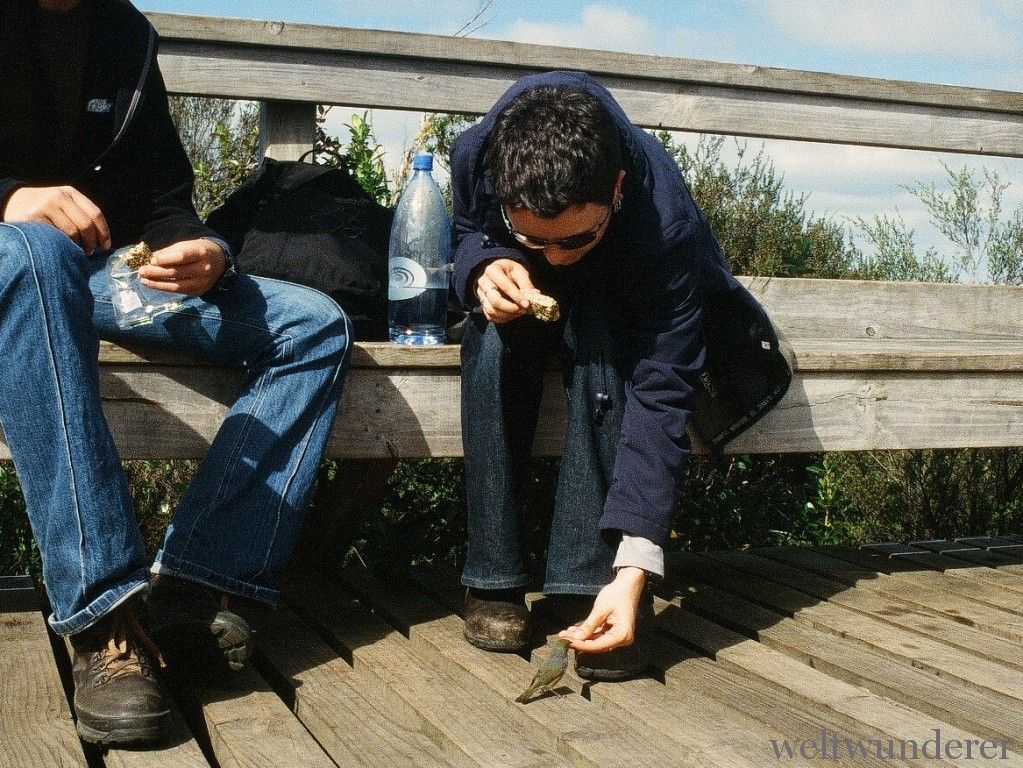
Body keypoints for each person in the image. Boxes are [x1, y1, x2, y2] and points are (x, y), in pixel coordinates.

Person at [0, 0, 351, 746]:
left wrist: (202, 247)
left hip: (89, 269)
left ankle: (193, 585)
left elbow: (163, 195)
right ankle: (103, 622)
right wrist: (9, 199)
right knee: (35, 253)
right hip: (15, 262)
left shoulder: (123, 31)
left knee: (311, 325)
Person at [451, 71, 788, 680]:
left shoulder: (667, 225)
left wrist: (636, 568)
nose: (552, 258)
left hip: (624, 301)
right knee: (489, 336)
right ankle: (491, 577)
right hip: (517, 300)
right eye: (533, 236)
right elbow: (465, 234)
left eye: (575, 237)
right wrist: (486, 263)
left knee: (607, 351)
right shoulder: (476, 154)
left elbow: (663, 389)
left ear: (619, 187)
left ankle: (591, 577)